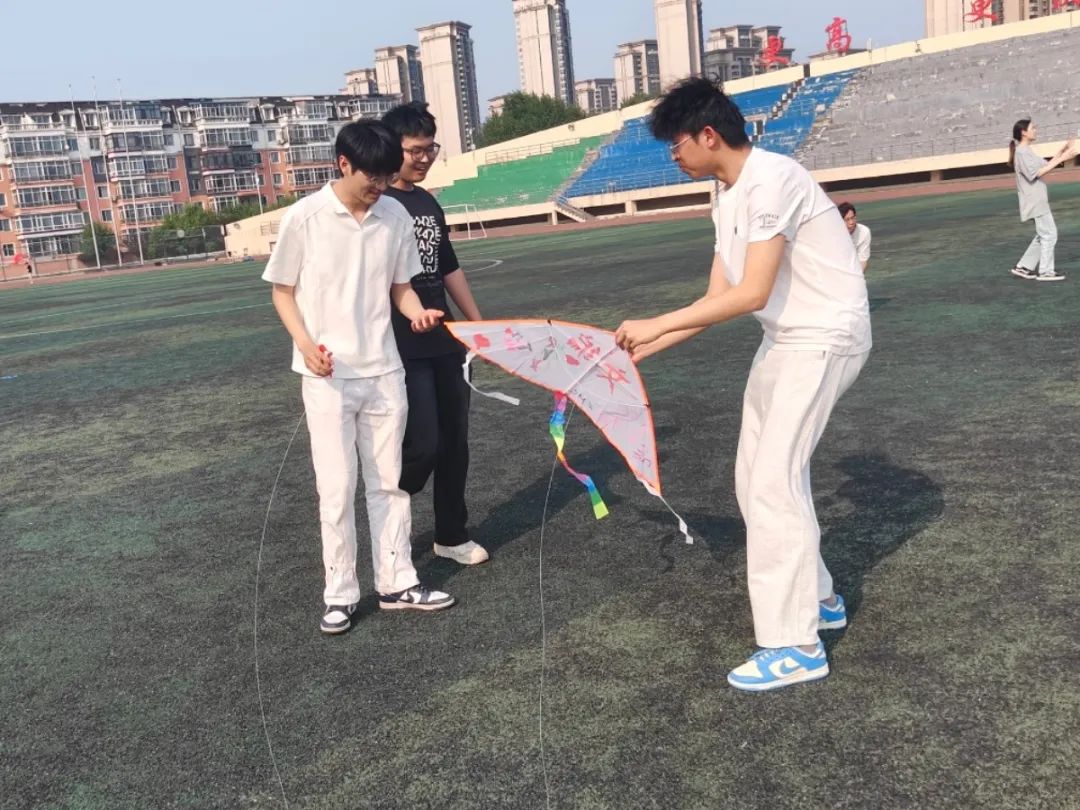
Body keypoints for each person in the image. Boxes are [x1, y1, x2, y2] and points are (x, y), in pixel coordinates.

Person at [614, 78, 871, 692]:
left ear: (708, 135)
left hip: (825, 337)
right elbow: (715, 300)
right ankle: (821, 600)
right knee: (752, 478)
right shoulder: (725, 197)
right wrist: (633, 353)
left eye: (676, 143)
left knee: (774, 482)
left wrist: (654, 323)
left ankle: (795, 644)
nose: (673, 156)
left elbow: (752, 292)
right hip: (785, 340)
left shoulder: (773, 178)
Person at [262, 120, 455, 635]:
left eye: (388, 176)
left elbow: (401, 288)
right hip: (328, 376)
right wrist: (307, 347)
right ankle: (340, 595)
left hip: (384, 370)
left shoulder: (395, 215)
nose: (380, 186)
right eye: (372, 176)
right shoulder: (305, 217)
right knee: (337, 487)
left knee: (389, 483)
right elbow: (282, 291)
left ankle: (397, 583)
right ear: (343, 164)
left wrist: (417, 313)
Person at [381, 102, 488, 566]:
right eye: (415, 151)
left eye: (431, 149)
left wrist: (476, 325)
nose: (425, 159)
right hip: (400, 345)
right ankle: (389, 523)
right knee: (422, 444)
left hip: (445, 340)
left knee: (455, 443)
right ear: (392, 148)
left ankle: (451, 534)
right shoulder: (379, 204)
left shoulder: (428, 201)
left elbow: (448, 268)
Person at [1008, 119, 1077, 282]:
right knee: (1050, 234)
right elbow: (1036, 173)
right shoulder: (1022, 153)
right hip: (1034, 201)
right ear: (1024, 132)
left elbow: (1047, 164)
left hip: (1037, 200)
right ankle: (1046, 271)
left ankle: (1023, 267)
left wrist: (1063, 150)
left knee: (1043, 234)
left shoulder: (1026, 151)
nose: (1035, 130)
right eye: (1033, 128)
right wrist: (1064, 156)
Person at [838, 202, 871, 272]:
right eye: (847, 220)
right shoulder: (834, 233)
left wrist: (858, 276)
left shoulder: (864, 232)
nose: (851, 222)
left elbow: (863, 260)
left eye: (853, 218)